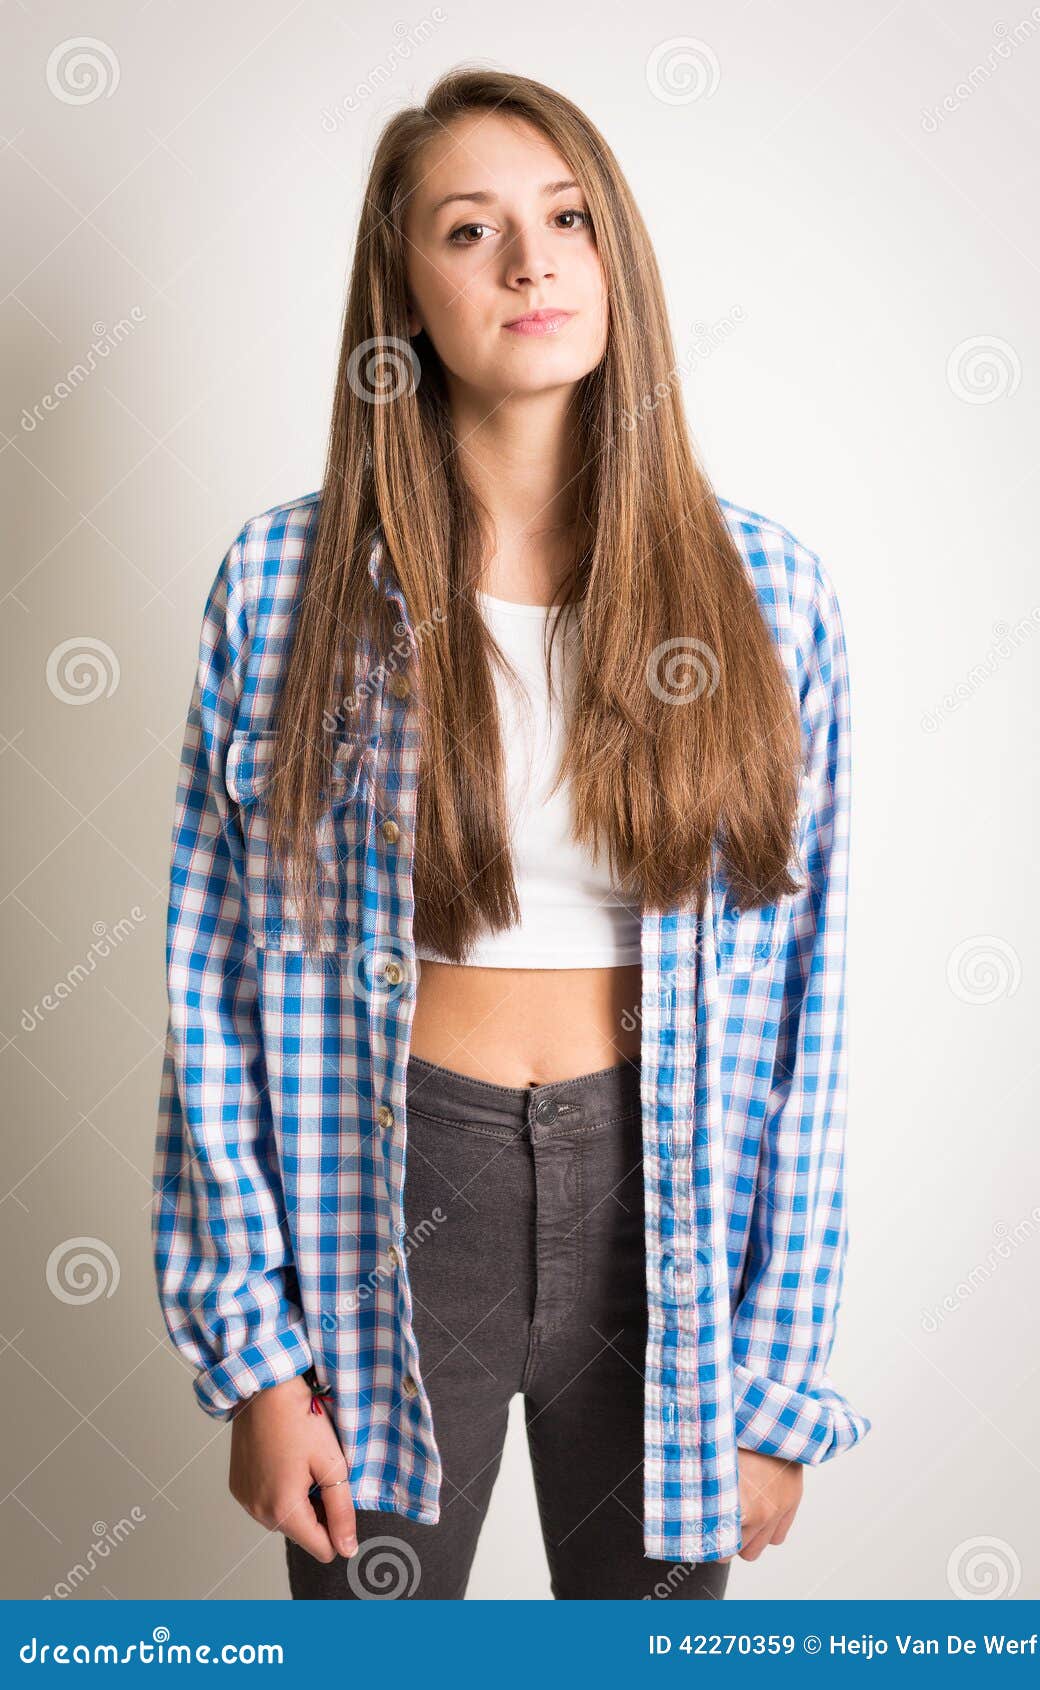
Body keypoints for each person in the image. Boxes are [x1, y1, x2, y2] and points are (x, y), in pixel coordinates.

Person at [151, 66, 870, 1602]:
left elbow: (810, 1017)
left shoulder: (769, 596)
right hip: (392, 1199)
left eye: (567, 219)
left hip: (661, 1211)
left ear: (618, 258)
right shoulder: (285, 589)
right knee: (377, 1648)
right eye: (469, 230)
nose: (530, 263)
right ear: (402, 291)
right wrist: (259, 1360)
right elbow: (212, 981)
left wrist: (778, 1384)